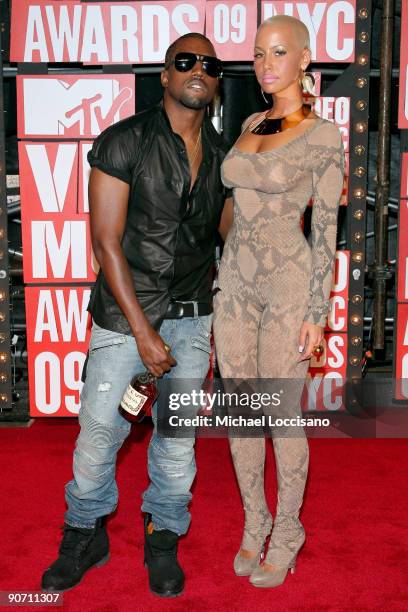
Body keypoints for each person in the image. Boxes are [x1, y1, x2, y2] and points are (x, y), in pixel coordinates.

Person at [41, 33, 230, 598]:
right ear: (166, 76)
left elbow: (235, 240)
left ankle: (162, 539)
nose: (199, 69)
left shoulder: (226, 160)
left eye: (211, 65)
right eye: (185, 62)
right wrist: (146, 333)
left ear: (218, 83)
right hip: (126, 320)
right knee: (100, 433)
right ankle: (84, 533)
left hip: (195, 321)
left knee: (176, 441)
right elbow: (106, 243)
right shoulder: (123, 141)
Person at [213, 15, 345, 588]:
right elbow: (233, 210)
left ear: (304, 59)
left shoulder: (324, 136)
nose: (267, 64)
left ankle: (289, 529)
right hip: (234, 282)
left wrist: (319, 311)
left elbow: (328, 231)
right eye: (259, 53)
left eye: (279, 52)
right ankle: (255, 519)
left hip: (290, 280)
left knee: (281, 414)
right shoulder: (249, 120)